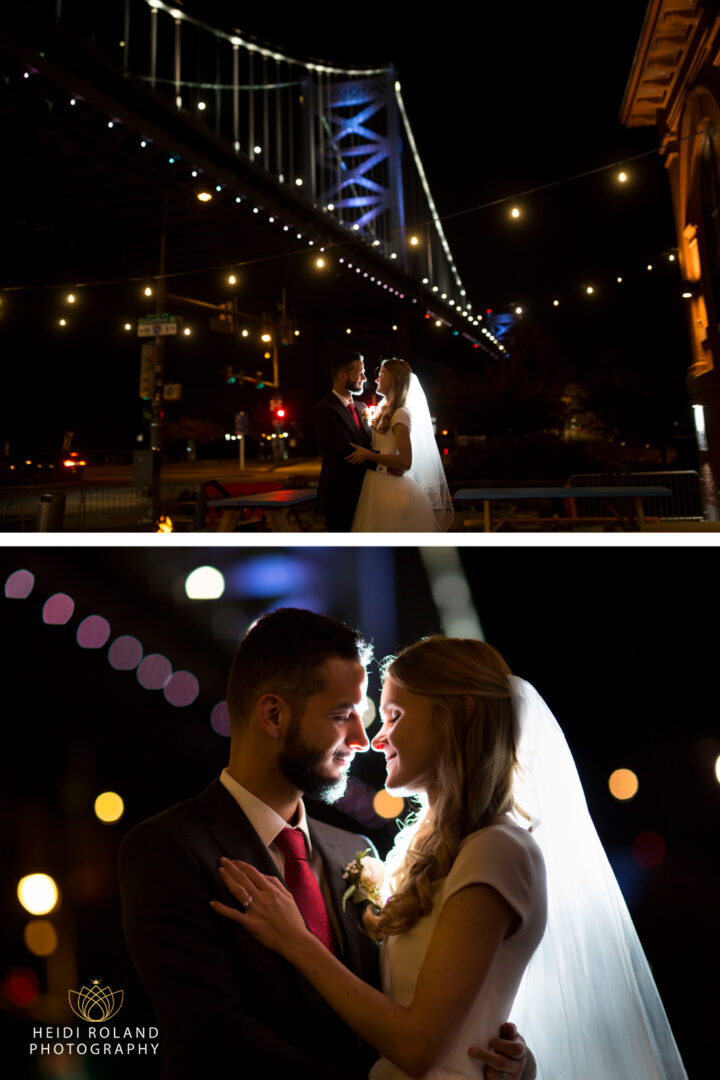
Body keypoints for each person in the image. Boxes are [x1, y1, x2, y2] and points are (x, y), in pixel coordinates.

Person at [213, 636, 689, 1080]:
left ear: (456, 716)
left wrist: (296, 941)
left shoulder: (498, 850)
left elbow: (419, 1047)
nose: (378, 738)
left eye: (395, 716)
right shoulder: (429, 853)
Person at [118, 611, 530, 1080]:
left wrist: (490, 1051)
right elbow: (216, 1039)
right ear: (274, 715)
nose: (361, 740)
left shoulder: (356, 851)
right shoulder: (168, 849)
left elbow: (402, 1006)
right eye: (342, 716)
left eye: (366, 715)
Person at [347, 359, 453, 532]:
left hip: (389, 487)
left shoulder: (400, 413)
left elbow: (405, 461)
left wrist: (368, 454)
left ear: (395, 380)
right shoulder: (384, 407)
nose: (376, 379)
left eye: (381, 375)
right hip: (375, 482)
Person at [313, 350, 376, 532]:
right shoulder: (324, 409)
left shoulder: (361, 407)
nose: (364, 378)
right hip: (340, 495)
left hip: (367, 491)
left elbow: (367, 446)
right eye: (359, 373)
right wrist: (388, 461)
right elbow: (346, 451)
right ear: (342, 376)